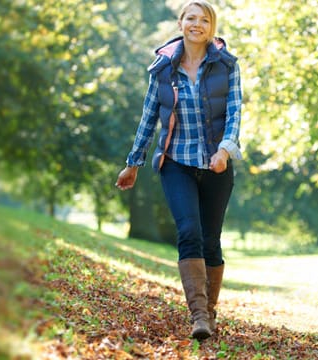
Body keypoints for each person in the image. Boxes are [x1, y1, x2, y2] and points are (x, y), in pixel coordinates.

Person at [115, 0, 242, 340]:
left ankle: (210, 311)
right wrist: (133, 163)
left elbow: (234, 114)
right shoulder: (163, 69)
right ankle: (198, 315)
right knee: (189, 232)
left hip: (216, 166)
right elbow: (148, 118)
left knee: (211, 241)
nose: (196, 24)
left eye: (204, 20)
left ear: (211, 27)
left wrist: (225, 150)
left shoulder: (227, 66)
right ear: (181, 22)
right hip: (176, 163)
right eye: (190, 18)